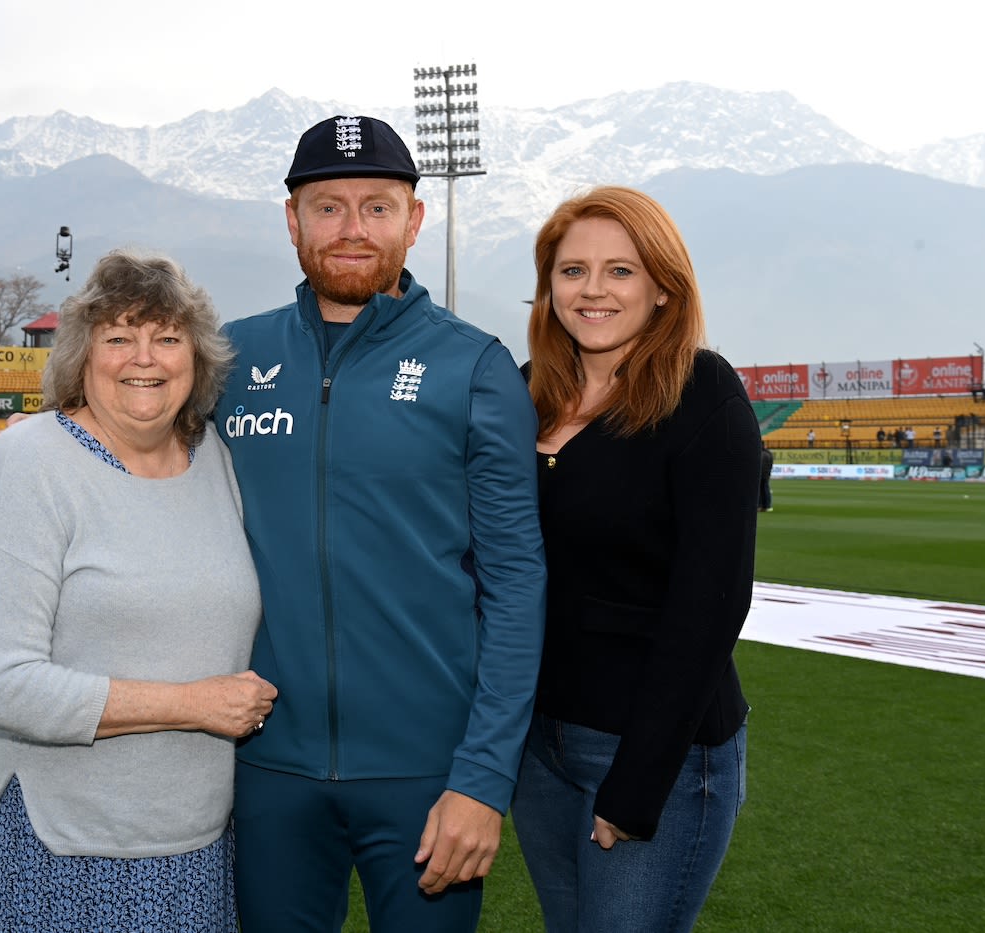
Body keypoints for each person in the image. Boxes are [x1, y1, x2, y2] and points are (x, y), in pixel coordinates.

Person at [214, 115, 546, 932]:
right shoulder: (228, 360)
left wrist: (482, 778)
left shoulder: (473, 365)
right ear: (291, 220)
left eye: (377, 206)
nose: (353, 229)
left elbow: (516, 584)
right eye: (328, 207)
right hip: (266, 766)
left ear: (414, 220)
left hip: (428, 774)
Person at [0, 249, 273, 931]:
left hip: (197, 843)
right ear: (82, 354)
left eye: (167, 336)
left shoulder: (215, 457)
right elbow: (1, 684)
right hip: (68, 847)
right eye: (120, 336)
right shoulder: (30, 461)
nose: (146, 357)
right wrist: (193, 704)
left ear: (197, 357)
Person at [510, 186, 759, 933]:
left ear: (661, 288)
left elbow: (710, 605)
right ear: (548, 285)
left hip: (657, 754)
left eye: (620, 270)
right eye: (572, 269)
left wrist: (639, 780)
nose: (592, 290)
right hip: (539, 747)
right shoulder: (525, 393)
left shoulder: (702, 393)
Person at [758, 440, 775, 512]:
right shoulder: (769, 453)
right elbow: (771, 464)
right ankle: (767, 506)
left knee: (759, 491)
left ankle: (760, 505)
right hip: (766, 474)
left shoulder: (759, 453)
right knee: (766, 489)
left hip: (760, 475)